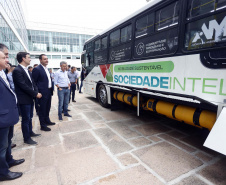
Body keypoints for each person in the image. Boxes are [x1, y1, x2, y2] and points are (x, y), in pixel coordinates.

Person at [0, 50, 24, 181]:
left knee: (8, 142)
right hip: (2, 118)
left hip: (8, 116)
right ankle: (3, 172)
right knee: (1, 147)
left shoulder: (2, 73)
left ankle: (9, 160)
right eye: (4, 57)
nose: (7, 60)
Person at [13, 52, 42, 145]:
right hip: (24, 98)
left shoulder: (27, 70)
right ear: (23, 59)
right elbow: (23, 85)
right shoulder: (17, 70)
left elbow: (33, 83)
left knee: (30, 117)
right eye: (28, 57)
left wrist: (36, 91)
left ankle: (30, 132)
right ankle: (26, 138)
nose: (30, 59)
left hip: (29, 97)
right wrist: (35, 93)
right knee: (25, 119)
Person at [32, 54, 55, 132]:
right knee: (42, 109)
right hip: (42, 93)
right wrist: (37, 92)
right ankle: (43, 125)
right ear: (40, 60)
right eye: (44, 59)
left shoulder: (46, 69)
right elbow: (34, 82)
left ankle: (47, 121)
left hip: (48, 91)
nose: (46, 60)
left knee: (47, 107)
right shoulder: (37, 69)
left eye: (47, 59)